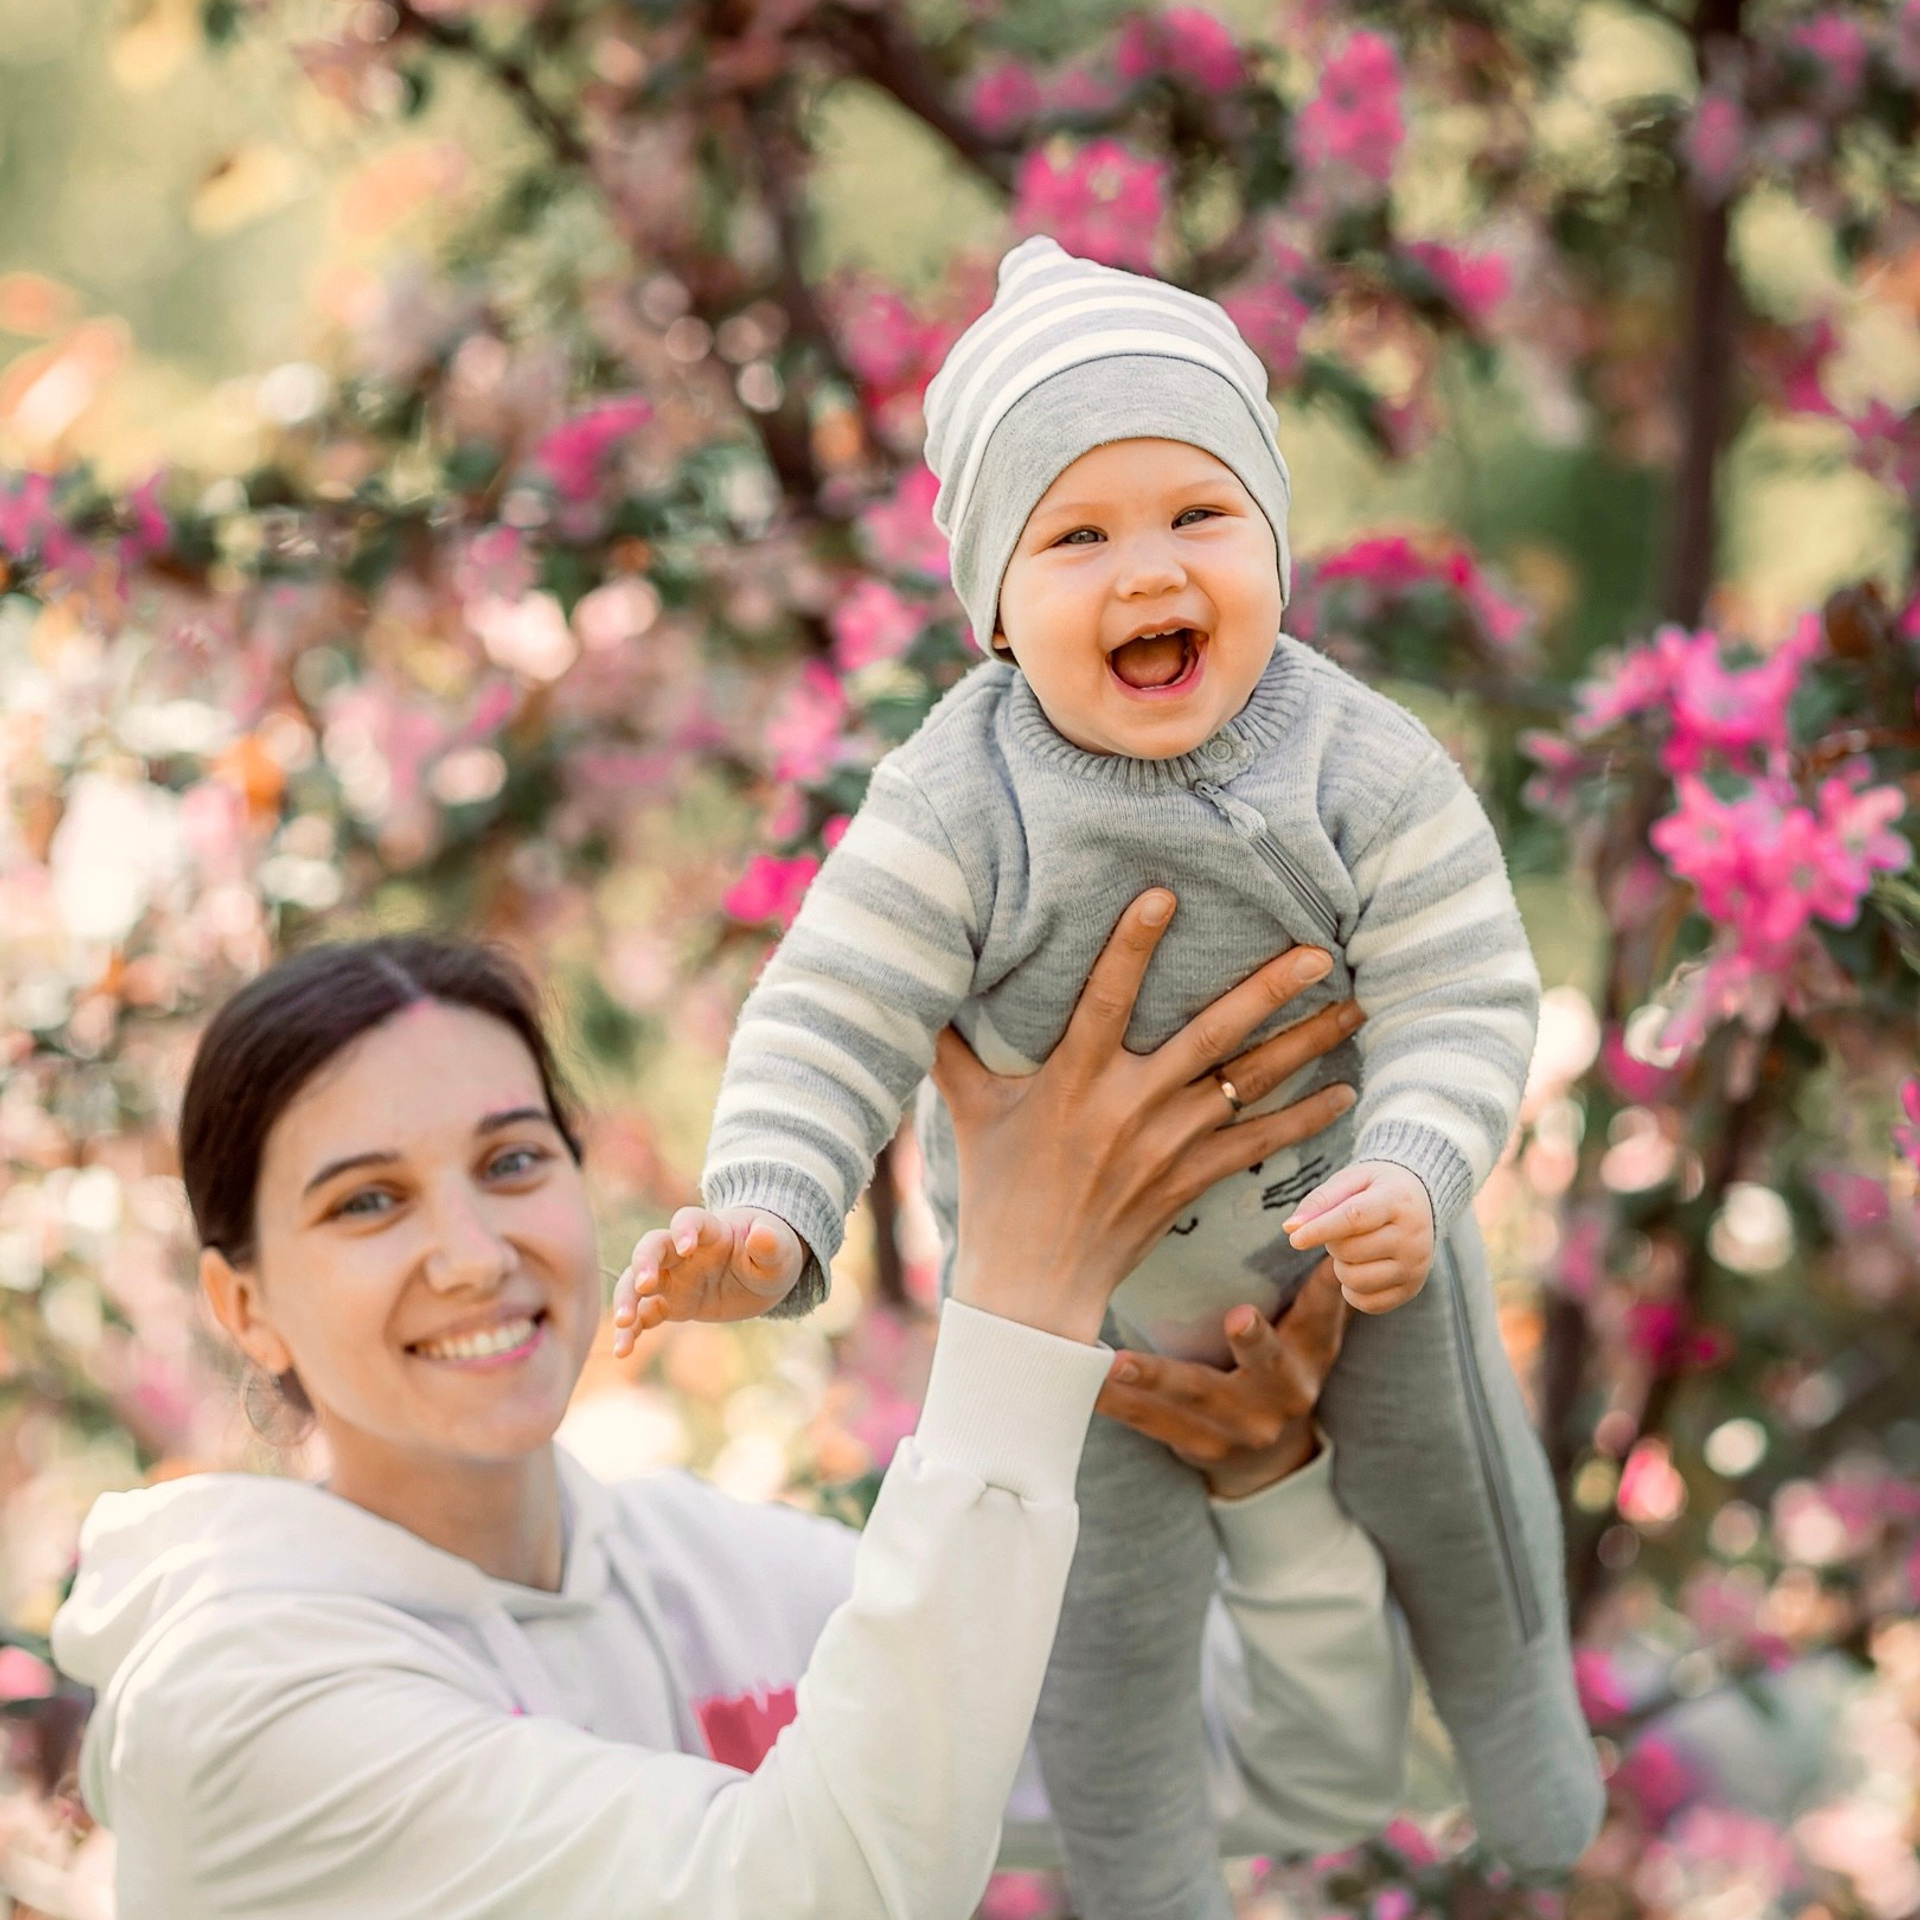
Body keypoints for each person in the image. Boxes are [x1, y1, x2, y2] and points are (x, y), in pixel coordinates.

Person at [613, 235, 1603, 1912]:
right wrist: (770, 1220)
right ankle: (1148, 1885)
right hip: (1077, 1317)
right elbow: (829, 1010)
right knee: (1096, 1630)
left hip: (1353, 1239)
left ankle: (1516, 1705)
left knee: (1462, 1492)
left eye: (1199, 516)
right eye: (1077, 535)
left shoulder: (1353, 753)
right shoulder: (959, 801)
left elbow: (1463, 977)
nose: (1149, 570)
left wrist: (1422, 1167)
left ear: (1275, 545)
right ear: (995, 604)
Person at [51, 924, 1413, 1920]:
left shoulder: (717, 1576)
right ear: (246, 1308)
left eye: (512, 1161)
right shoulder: (235, 1704)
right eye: (367, 1201)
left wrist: (1271, 1484)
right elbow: (825, 1891)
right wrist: (1026, 1287)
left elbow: (1298, 1769)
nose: (471, 1254)